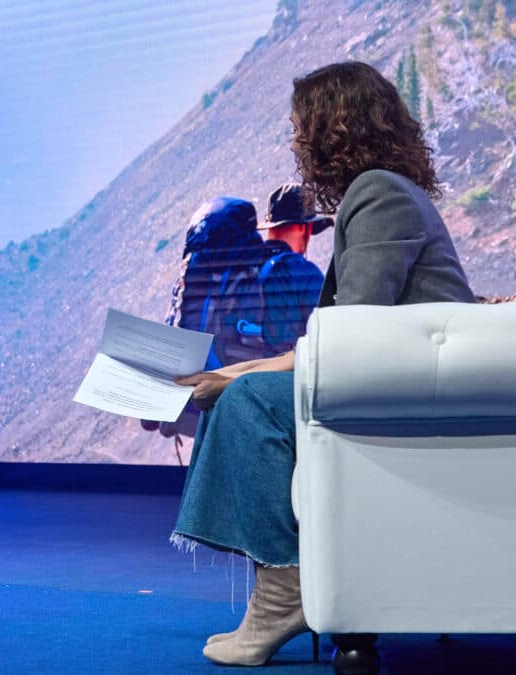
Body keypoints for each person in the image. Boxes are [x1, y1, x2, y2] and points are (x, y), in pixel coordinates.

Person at [170, 61, 475, 667]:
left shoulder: (379, 192)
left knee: (248, 403)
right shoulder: (386, 191)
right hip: (397, 385)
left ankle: (285, 587)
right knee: (243, 391)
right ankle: (282, 586)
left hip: (402, 393)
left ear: (334, 130)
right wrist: (237, 372)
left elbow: (350, 336)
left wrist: (239, 375)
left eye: (298, 128)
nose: (293, 143)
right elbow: (343, 335)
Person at [250, 182, 328, 354]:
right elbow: (327, 336)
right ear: (304, 228)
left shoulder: (249, 266)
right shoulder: (303, 272)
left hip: (240, 372)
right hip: (284, 374)